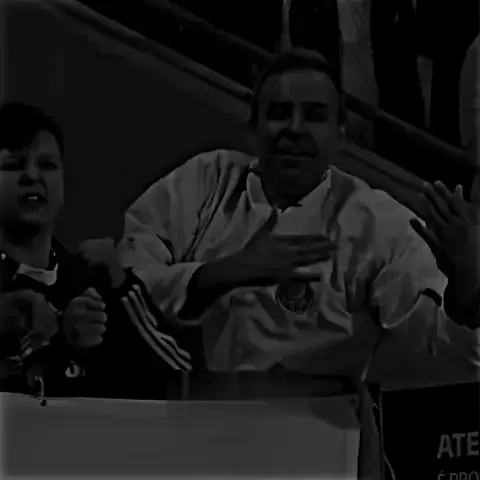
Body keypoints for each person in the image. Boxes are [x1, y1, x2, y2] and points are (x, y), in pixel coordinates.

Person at [117, 48, 480, 382]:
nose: (294, 128)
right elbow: (127, 276)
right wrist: (222, 273)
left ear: (341, 134)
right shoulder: (206, 181)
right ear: (253, 127)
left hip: (322, 420)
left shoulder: (379, 222)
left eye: (314, 116)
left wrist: (467, 293)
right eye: (278, 113)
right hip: (187, 406)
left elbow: (434, 350)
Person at [0, 102, 191, 400]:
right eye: (14, 165)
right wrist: (64, 342)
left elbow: (178, 372)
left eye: (47, 165)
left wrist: (122, 287)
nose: (32, 176)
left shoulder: (93, 281)